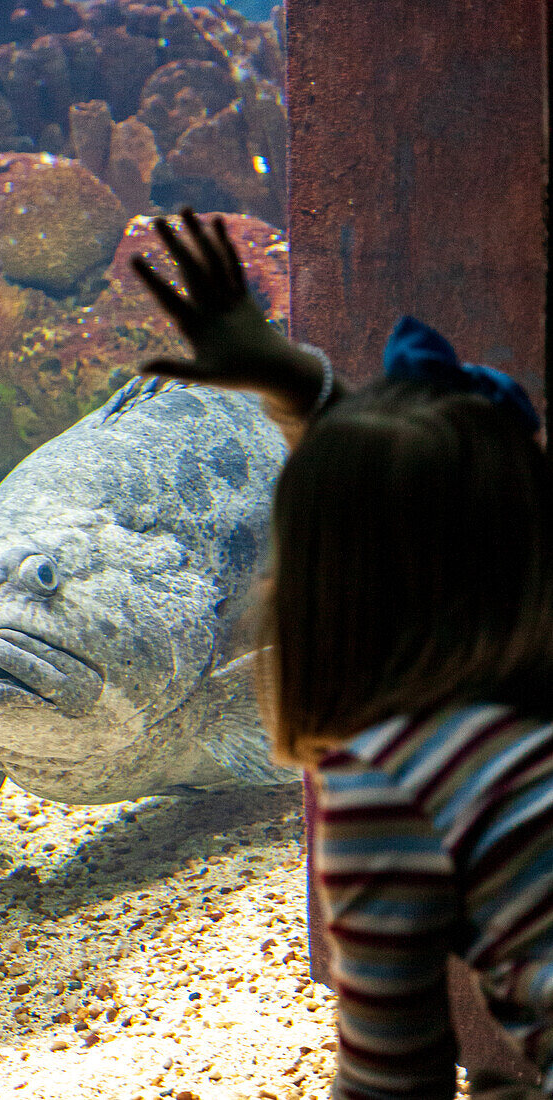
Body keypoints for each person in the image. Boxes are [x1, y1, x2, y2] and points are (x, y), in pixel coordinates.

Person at [131, 209, 553, 1099]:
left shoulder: (389, 779)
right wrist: (298, 386)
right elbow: (434, 509)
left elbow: (391, 1083)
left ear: (315, 589)